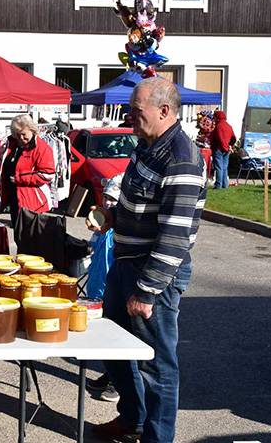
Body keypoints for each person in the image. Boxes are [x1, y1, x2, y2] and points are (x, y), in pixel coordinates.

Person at [88, 77, 208, 443]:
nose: (129, 117)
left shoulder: (182, 158)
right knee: (114, 348)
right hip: (125, 264)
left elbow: (173, 237)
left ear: (164, 111)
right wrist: (113, 216)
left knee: (157, 365)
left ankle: (157, 438)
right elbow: (143, 205)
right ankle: (132, 419)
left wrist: (146, 291)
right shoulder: (147, 145)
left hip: (152, 275)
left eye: (136, 111)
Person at [84, 174, 123, 403]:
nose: (109, 204)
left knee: (117, 336)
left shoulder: (120, 232)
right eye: (107, 198)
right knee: (105, 338)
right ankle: (111, 373)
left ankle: (119, 383)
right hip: (97, 289)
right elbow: (92, 248)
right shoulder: (101, 224)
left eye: (115, 201)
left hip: (113, 289)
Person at [0, 114, 56, 226]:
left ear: (32, 130)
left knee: (30, 237)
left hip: (32, 200)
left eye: (24, 134)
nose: (21, 138)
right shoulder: (11, 145)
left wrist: (20, 179)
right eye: (17, 134)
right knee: (18, 233)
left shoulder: (41, 148)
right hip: (14, 197)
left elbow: (48, 174)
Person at [210, 110, 235, 189]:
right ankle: (225, 184)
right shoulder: (229, 126)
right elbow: (233, 138)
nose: (213, 119)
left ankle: (218, 185)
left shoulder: (219, 127)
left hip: (219, 149)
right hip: (226, 150)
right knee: (224, 168)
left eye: (214, 117)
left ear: (218, 118)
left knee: (219, 168)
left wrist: (225, 148)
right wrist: (230, 147)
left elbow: (221, 139)